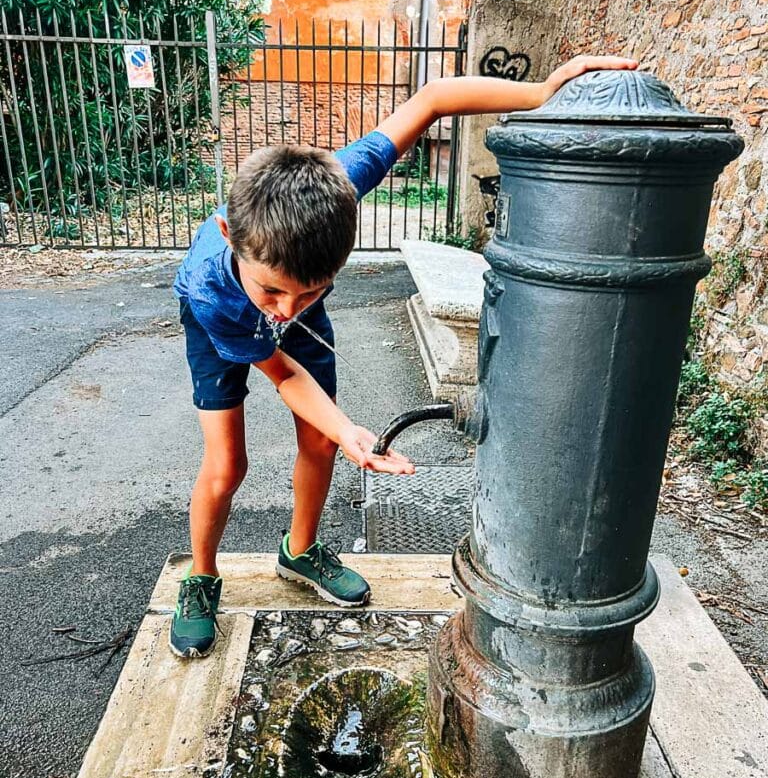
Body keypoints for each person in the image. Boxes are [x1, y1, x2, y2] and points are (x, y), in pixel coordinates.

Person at [171, 53, 638, 659]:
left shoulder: (334, 189)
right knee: (227, 463)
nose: (286, 309)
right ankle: (201, 576)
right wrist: (350, 430)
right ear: (231, 235)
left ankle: (300, 550)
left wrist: (543, 91)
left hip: (274, 319)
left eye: (310, 289)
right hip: (221, 325)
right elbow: (280, 372)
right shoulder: (216, 289)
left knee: (318, 441)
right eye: (275, 290)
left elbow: (435, 97)